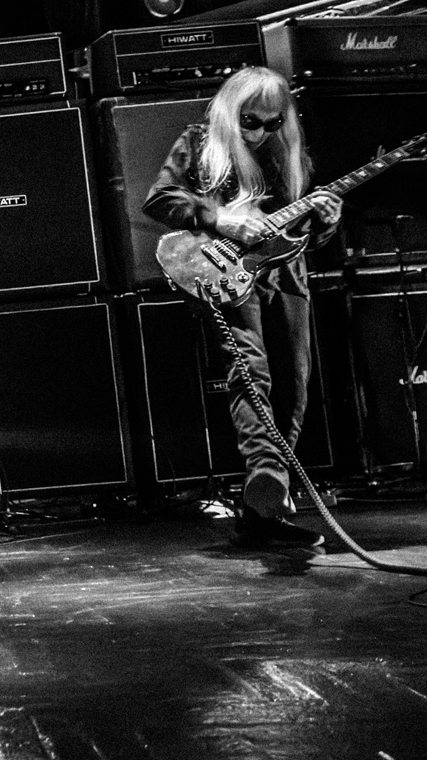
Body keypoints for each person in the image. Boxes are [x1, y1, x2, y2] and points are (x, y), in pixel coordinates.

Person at [143, 66, 342, 550]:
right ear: (232, 113)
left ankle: (263, 513)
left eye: (274, 124)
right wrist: (222, 219)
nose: (261, 133)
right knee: (251, 372)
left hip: (287, 277)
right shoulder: (199, 143)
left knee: (295, 384)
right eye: (251, 121)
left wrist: (326, 224)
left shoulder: (292, 159)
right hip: (228, 277)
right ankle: (267, 476)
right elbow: (160, 198)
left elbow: (301, 236)